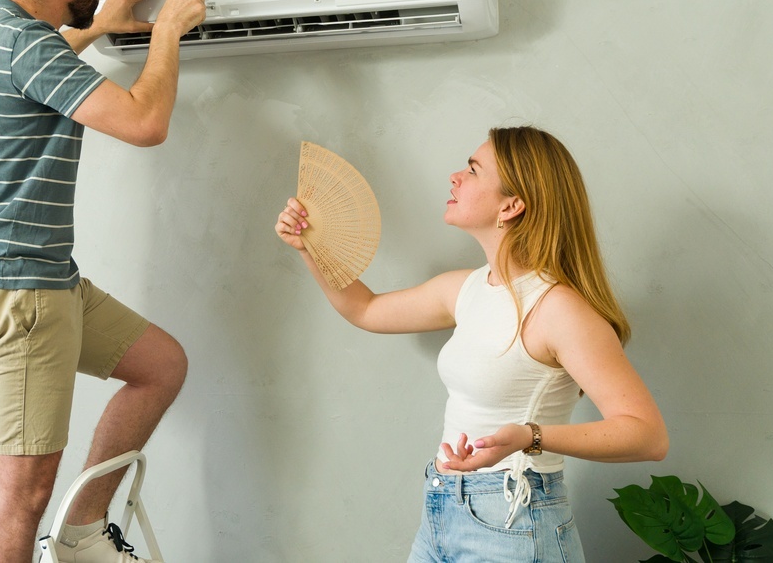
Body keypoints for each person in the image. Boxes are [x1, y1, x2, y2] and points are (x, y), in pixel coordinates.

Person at [275, 126, 668, 562]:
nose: (455, 177)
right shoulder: (465, 288)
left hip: (515, 521)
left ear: (512, 205)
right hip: (443, 509)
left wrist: (528, 437)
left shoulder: (558, 310)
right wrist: (311, 244)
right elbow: (365, 309)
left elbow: (647, 435)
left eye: (473, 170)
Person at [0, 0, 206, 561]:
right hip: (21, 299)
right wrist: (166, 30)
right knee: (21, 494)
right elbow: (146, 122)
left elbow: (33, 73)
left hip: (35, 283)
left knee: (161, 366)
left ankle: (81, 534)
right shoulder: (24, 44)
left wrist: (98, 26)